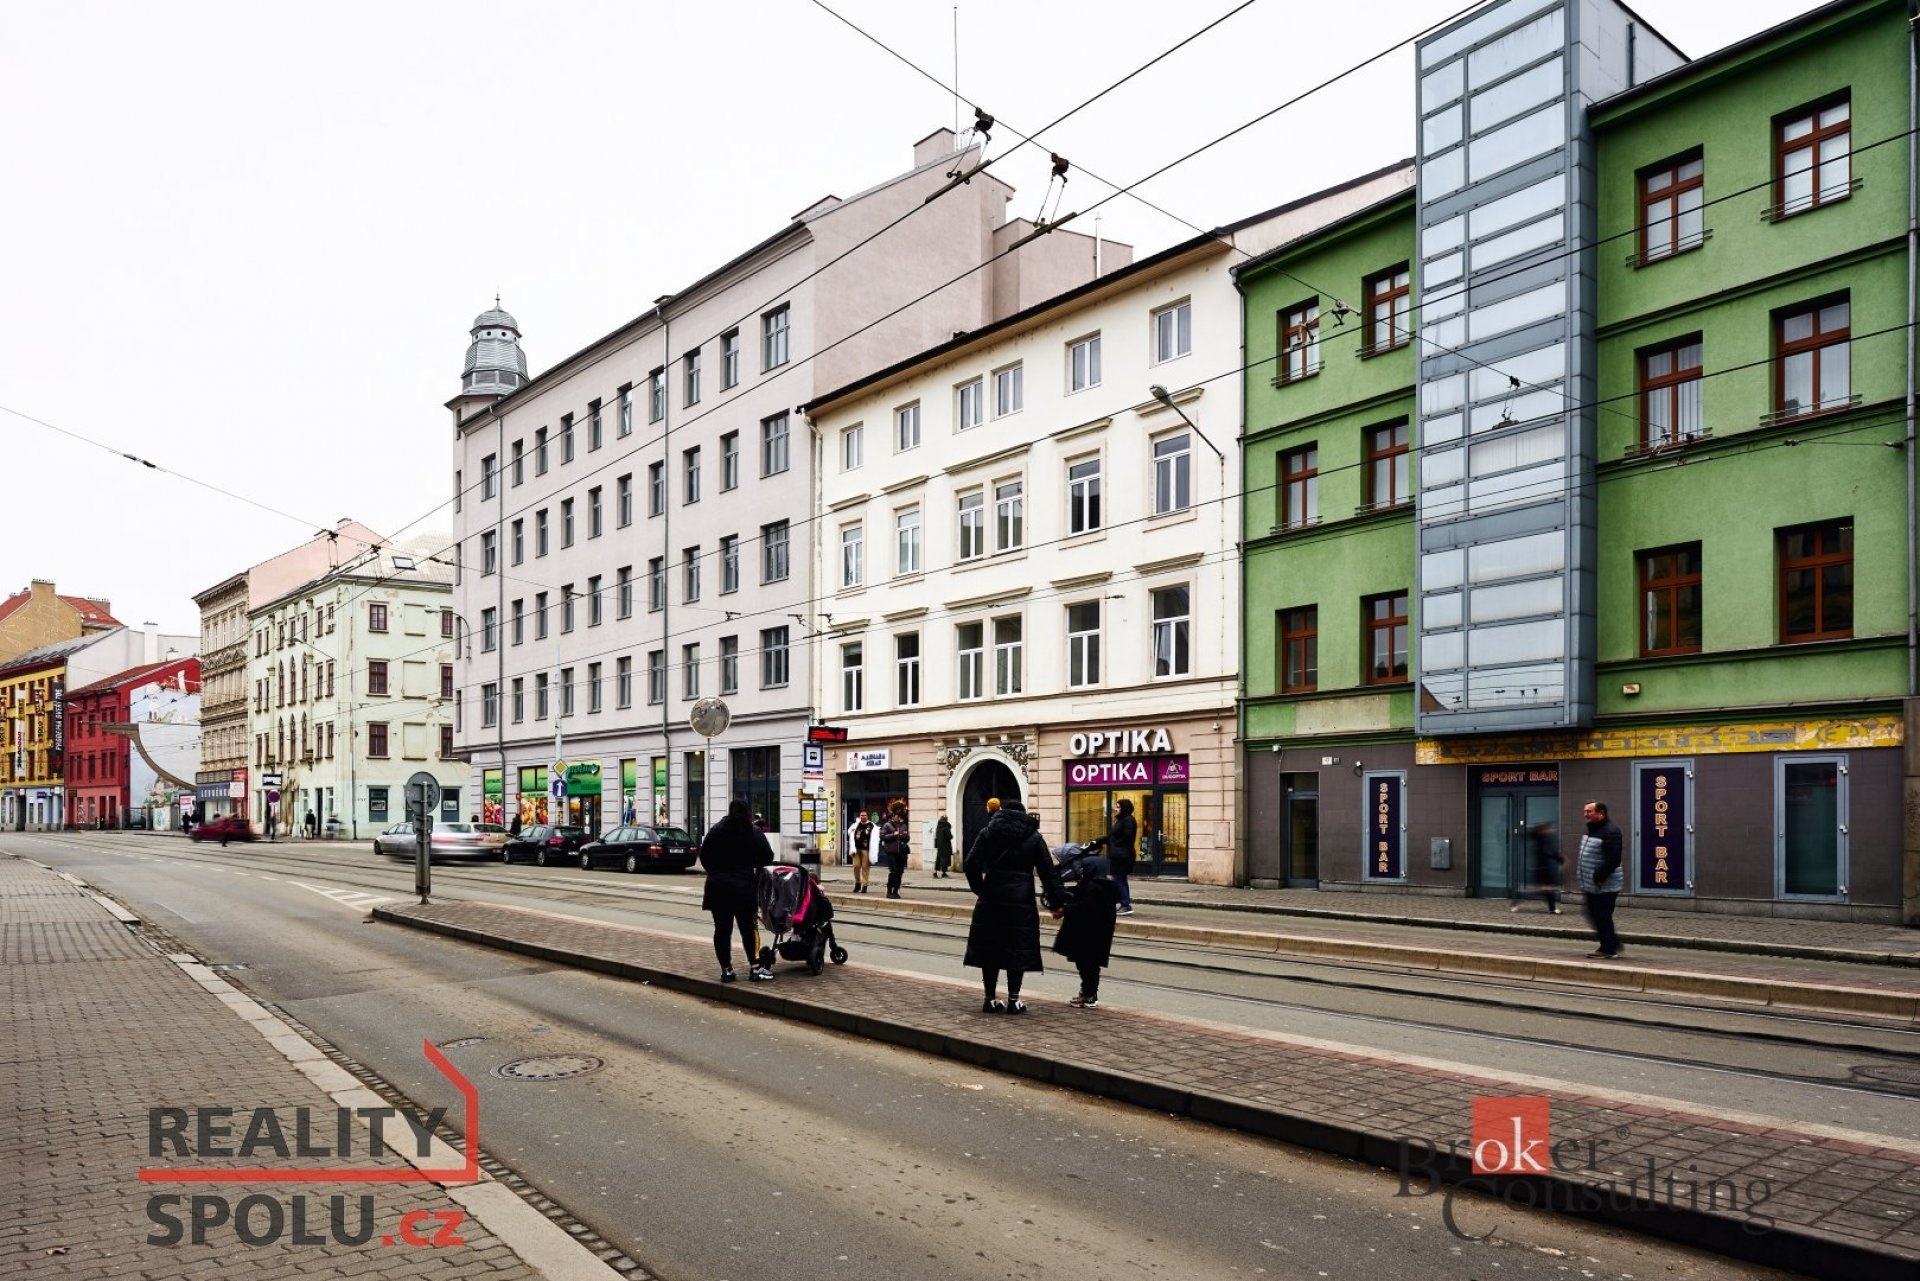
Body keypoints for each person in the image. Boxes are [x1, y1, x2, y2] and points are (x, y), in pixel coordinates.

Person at [963, 797, 1064, 1014]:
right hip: (1021, 898)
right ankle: (1014, 1000)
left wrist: (981, 889)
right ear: (1023, 815)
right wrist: (1056, 902)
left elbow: (971, 864)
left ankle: (989, 999)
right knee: (1016, 947)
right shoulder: (1034, 837)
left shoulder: (988, 832)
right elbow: (1048, 872)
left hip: (992, 896)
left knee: (990, 946)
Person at [700, 799, 775, 982]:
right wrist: (751, 864)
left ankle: (726, 970)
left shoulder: (717, 830)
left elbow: (704, 855)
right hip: (744, 888)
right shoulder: (753, 831)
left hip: (718, 888)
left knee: (722, 931)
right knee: (748, 929)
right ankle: (754, 968)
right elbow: (768, 857)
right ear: (748, 812)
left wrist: (715, 872)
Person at [1051, 853, 1121, 1008]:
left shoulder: (1092, 887)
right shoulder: (1106, 887)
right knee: (1090, 965)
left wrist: (1064, 910)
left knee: (1086, 965)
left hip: (1086, 934)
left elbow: (1084, 908)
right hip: (1099, 934)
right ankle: (1089, 993)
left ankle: (1089, 995)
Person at [1578, 800, 1625, 959]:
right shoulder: (1592, 830)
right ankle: (1612, 943)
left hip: (1605, 884)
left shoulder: (1610, 832)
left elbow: (1613, 859)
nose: (1585, 814)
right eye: (1585, 811)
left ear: (1601, 813)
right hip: (1592, 884)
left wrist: (1598, 877)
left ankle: (1608, 949)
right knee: (1594, 913)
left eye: (1589, 811)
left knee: (1601, 915)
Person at [1095, 799, 1138, 916]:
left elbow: (1127, 836)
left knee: (1119, 879)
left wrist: (1115, 843)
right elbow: (1111, 837)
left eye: (1118, 807)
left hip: (1123, 855)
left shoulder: (1128, 820)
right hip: (1119, 854)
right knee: (1119, 879)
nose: (1116, 809)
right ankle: (1124, 903)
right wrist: (1097, 841)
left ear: (1124, 808)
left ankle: (1125, 905)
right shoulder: (1121, 820)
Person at [1516, 820, 1563, 914]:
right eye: (1549, 829)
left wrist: (1559, 858)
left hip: (1545, 868)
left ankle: (1552, 909)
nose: (1551, 830)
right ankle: (1517, 903)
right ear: (1542, 830)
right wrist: (1559, 859)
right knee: (1541, 889)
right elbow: (1548, 852)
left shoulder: (1544, 838)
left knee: (1547, 889)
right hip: (1540, 869)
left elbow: (1550, 852)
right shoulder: (1540, 839)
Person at [880, 800, 910, 898]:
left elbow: (907, 838)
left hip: (901, 852)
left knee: (900, 872)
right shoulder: (887, 825)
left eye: (899, 816)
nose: (898, 817)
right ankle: (889, 891)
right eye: (897, 816)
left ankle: (896, 890)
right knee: (893, 871)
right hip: (891, 851)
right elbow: (883, 836)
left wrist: (903, 836)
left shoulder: (904, 825)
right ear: (893, 816)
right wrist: (893, 834)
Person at [850, 810, 875, 893]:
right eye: (861, 815)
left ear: (867, 816)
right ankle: (857, 883)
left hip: (866, 849)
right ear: (859, 816)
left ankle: (864, 885)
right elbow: (850, 832)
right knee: (856, 866)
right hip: (856, 849)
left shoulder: (870, 825)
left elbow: (868, 834)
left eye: (864, 815)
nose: (863, 817)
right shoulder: (856, 824)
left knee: (865, 867)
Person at [933, 813, 954, 878]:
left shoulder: (938, 827)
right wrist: (951, 836)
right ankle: (943, 873)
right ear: (946, 820)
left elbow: (936, 836)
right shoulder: (946, 827)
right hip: (945, 846)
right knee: (945, 859)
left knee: (939, 859)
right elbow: (949, 836)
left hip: (939, 846)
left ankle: (935, 872)